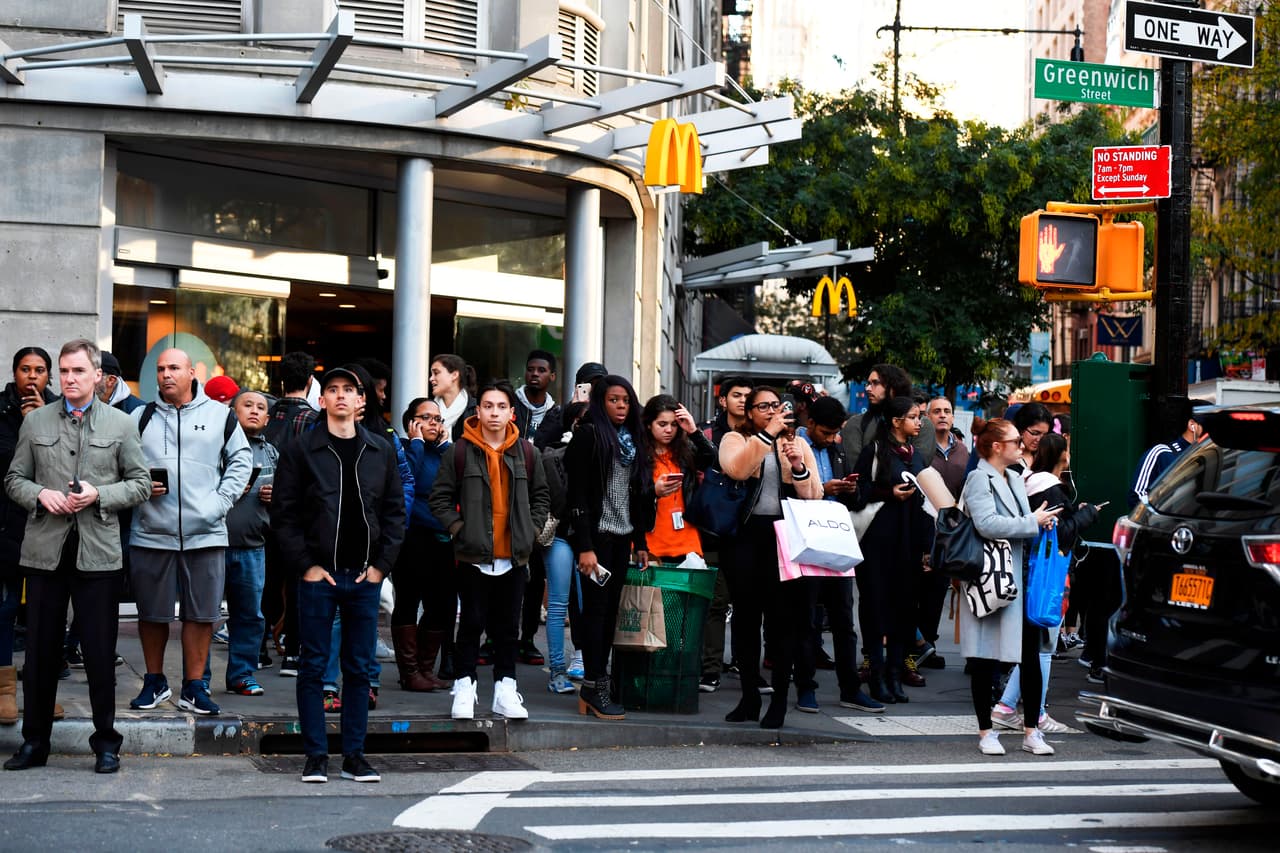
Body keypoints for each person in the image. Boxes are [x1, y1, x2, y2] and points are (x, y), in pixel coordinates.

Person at [3, 339, 150, 773]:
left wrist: (99, 494)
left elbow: (140, 484)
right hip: (45, 552)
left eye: (77, 372)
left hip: (98, 554)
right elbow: (13, 479)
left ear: (98, 376)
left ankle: (106, 743)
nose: (68, 379)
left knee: (100, 654)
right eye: (64, 371)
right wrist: (41, 494)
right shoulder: (36, 422)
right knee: (40, 654)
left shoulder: (122, 425)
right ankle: (35, 743)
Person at [271, 366, 405, 784]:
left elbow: (394, 514)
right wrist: (306, 567)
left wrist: (380, 568)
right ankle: (315, 755)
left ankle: (354, 756)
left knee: (359, 669)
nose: (342, 396)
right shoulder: (301, 449)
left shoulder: (380, 449)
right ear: (322, 399)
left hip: (364, 578)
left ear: (361, 400)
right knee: (313, 667)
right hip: (319, 577)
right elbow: (284, 515)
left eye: (350, 390)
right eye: (334, 390)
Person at [129, 348, 253, 717]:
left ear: (192, 372)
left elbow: (241, 460)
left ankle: (194, 686)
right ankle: (154, 681)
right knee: (152, 613)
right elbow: (120, 463)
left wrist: (219, 504)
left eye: (174, 368)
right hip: (152, 530)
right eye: (161, 368)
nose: (166, 374)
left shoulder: (219, 415)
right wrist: (138, 486)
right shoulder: (140, 416)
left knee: (201, 615)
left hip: (207, 532)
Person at [429, 380, 548, 721]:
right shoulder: (461, 451)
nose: (494, 413)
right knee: (471, 622)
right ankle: (465, 687)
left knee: (507, 627)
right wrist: (458, 530)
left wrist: (532, 531)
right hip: (473, 554)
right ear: (477, 411)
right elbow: (439, 498)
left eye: (500, 407)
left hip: (514, 554)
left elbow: (542, 497)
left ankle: (505, 689)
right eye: (488, 406)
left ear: (512, 412)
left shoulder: (527, 452)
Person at [719, 385, 823, 729]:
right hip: (746, 538)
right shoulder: (735, 439)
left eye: (775, 406)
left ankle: (778, 700)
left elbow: (815, 494)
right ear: (749, 412)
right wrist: (766, 435)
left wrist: (798, 466)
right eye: (763, 406)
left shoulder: (796, 442)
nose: (771, 411)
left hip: (784, 538)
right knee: (746, 621)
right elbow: (736, 470)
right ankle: (748, 697)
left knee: (782, 625)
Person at [961, 418, 1061, 757]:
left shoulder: (1016, 478)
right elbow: (986, 524)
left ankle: (1032, 730)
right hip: (992, 577)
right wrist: (1031, 522)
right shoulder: (979, 478)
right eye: (1015, 440)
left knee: (1030, 656)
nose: (1022, 445)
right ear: (995, 447)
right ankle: (986, 732)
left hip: (1018, 575)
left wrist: (1039, 520)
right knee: (986, 656)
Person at [991, 432, 1098, 734]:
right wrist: (1087, 515)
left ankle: (1006, 706)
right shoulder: (1051, 488)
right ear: (1061, 456)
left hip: (1030, 569)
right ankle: (1035, 713)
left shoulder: (1030, 483)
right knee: (1044, 644)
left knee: (1036, 643)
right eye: (1068, 451)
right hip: (1047, 573)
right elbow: (1062, 533)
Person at [564, 375, 646, 720]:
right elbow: (577, 495)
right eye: (614, 400)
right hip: (594, 538)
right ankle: (594, 684)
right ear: (601, 402)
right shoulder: (588, 436)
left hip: (622, 538)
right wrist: (584, 547)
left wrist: (639, 540)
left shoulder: (633, 440)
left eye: (626, 400)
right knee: (595, 615)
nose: (621, 407)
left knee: (611, 613)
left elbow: (638, 493)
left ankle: (599, 681)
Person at [797, 396, 884, 714]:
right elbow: (790, 490)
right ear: (810, 425)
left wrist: (850, 490)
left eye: (836, 432)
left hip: (837, 538)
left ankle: (850, 688)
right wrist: (825, 488)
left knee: (844, 620)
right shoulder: (795, 446)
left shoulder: (838, 449)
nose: (832, 438)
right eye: (826, 432)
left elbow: (858, 495)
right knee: (807, 621)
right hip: (806, 539)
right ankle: (806, 687)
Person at [850, 396, 933, 704]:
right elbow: (856, 493)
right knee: (875, 609)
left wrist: (927, 547)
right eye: (913, 416)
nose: (919, 421)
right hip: (878, 542)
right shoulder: (875, 451)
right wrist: (888, 493)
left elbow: (928, 502)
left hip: (909, 543)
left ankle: (896, 675)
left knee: (904, 611)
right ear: (897, 421)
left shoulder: (917, 456)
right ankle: (877, 676)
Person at [0, 346, 58, 727]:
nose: (32, 376)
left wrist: (40, 423)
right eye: (25, 369)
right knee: (4, 609)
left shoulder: (61, 411)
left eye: (39, 370)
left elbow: (61, 467)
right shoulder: (1, 410)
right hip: (6, 524)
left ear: (49, 376)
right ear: (15, 373)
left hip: (47, 527)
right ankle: (5, 690)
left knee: (44, 613)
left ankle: (41, 692)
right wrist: (26, 428)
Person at [262, 350, 318, 678]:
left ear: (280, 380)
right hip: (299, 514)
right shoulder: (313, 421)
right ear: (310, 381)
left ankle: (257, 648)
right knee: (298, 581)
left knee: (265, 581)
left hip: (262, 511)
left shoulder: (262, 414)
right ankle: (293, 652)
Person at [696, 374, 752, 693]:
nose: (743, 400)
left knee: (746, 603)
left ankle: (744, 664)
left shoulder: (757, 434)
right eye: (736, 394)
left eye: (747, 395)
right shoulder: (707, 433)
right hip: (713, 529)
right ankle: (710, 669)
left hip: (747, 529)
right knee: (716, 602)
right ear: (723, 400)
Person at [392, 397, 452, 692]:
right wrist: (416, 443)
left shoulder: (444, 452)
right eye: (425, 417)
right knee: (407, 600)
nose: (433, 423)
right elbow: (408, 480)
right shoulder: (401, 449)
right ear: (411, 422)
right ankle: (409, 671)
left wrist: (442, 446)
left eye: (437, 419)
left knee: (440, 604)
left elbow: (454, 483)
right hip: (411, 536)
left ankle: (426, 669)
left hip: (442, 537)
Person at [222, 390, 278, 697]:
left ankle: (242, 674)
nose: (255, 411)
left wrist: (277, 497)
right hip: (213, 545)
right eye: (247, 405)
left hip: (253, 546)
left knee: (250, 615)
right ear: (232, 411)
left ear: (268, 419)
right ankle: (198, 678)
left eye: (261, 408)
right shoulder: (216, 446)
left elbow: (289, 498)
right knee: (204, 617)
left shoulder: (271, 454)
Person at [633, 395, 716, 565]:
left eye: (674, 425)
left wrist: (693, 431)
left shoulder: (686, 451)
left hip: (687, 539)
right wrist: (654, 492)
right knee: (652, 591)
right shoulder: (637, 454)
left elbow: (713, 459)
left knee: (685, 591)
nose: (669, 430)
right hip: (651, 540)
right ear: (649, 424)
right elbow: (630, 496)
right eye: (662, 424)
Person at [539, 402, 587, 694]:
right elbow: (553, 499)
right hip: (560, 533)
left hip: (592, 538)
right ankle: (558, 670)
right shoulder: (553, 455)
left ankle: (589, 663)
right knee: (558, 605)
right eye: (581, 421)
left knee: (589, 604)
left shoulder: (606, 454)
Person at [841, 364, 933, 465]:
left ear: (893, 388)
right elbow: (855, 471)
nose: (867, 388)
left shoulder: (922, 424)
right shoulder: (855, 424)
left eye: (875, 383)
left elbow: (920, 467)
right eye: (868, 383)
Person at [1128, 398, 1212, 508]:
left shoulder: (1211, 455)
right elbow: (1136, 496)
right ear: (1192, 425)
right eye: (1209, 425)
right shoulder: (1161, 453)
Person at [513, 349, 559, 446]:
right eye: (530, 369)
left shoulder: (555, 414)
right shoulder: (510, 404)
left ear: (552, 376)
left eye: (541, 370)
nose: (535, 374)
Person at [927, 396, 969, 500]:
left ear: (952, 418)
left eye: (947, 411)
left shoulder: (962, 450)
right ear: (927, 417)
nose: (942, 415)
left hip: (955, 513)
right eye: (937, 411)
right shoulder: (918, 449)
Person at [430, 353, 477, 441]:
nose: (431, 378)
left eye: (436, 373)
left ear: (454, 375)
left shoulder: (476, 410)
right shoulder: (427, 409)